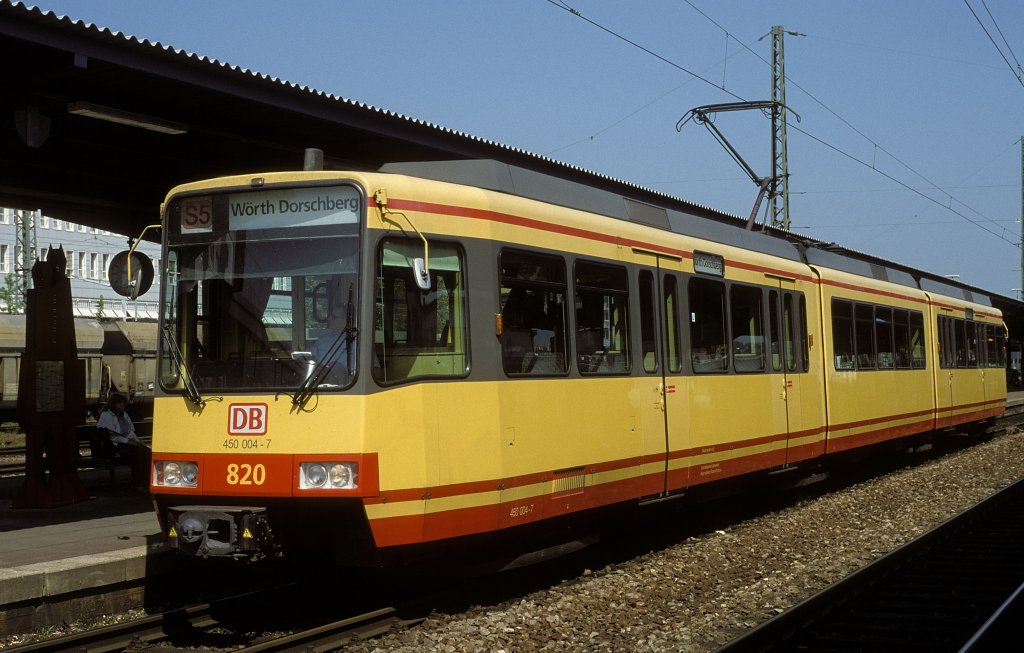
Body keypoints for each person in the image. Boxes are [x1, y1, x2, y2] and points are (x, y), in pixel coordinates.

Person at [96, 393, 151, 491]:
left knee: (146, 452)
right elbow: (112, 435)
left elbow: (130, 432)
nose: (123, 406)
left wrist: (138, 441)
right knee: (136, 454)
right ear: (114, 404)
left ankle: (146, 481)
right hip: (114, 446)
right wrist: (128, 442)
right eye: (121, 403)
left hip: (126, 443)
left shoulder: (124, 415)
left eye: (123, 404)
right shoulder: (106, 415)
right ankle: (137, 483)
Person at [311, 298, 354, 382]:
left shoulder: (359, 342)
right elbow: (311, 361)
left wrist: (341, 369)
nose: (330, 319)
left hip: (347, 388)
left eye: (334, 317)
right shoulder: (322, 340)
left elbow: (375, 371)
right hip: (319, 385)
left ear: (345, 320)